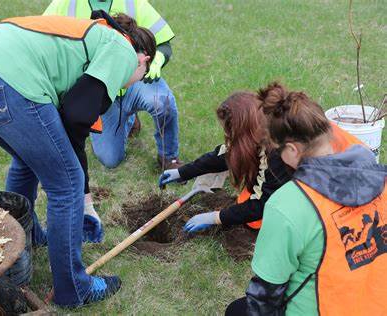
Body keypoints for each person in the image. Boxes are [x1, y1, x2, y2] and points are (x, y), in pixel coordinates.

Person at [0, 13, 155, 307]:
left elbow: (71, 123)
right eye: (140, 76)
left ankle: (22, 241)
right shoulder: (121, 49)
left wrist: (86, 198)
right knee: (66, 186)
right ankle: (73, 289)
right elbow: (77, 116)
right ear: (143, 59)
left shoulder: (93, 38)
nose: (130, 84)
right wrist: (82, 197)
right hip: (6, 76)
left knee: (27, 161)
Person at [225, 82, 387, 315]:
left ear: (291, 150)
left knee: (237, 311)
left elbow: (265, 298)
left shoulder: (289, 205)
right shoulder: (382, 179)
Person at [159, 90, 362, 233]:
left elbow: (261, 204)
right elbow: (229, 154)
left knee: (259, 221)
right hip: (340, 171)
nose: (227, 137)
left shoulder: (278, 154)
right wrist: (184, 172)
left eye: (230, 132)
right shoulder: (269, 119)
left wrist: (216, 217)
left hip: (347, 195)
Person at [44, 0, 183, 170]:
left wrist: (158, 61)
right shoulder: (64, 4)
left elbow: (164, 43)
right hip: (99, 93)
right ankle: (130, 120)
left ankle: (169, 158)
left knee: (163, 103)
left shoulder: (133, 3)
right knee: (110, 159)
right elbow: (43, 38)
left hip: (135, 82)